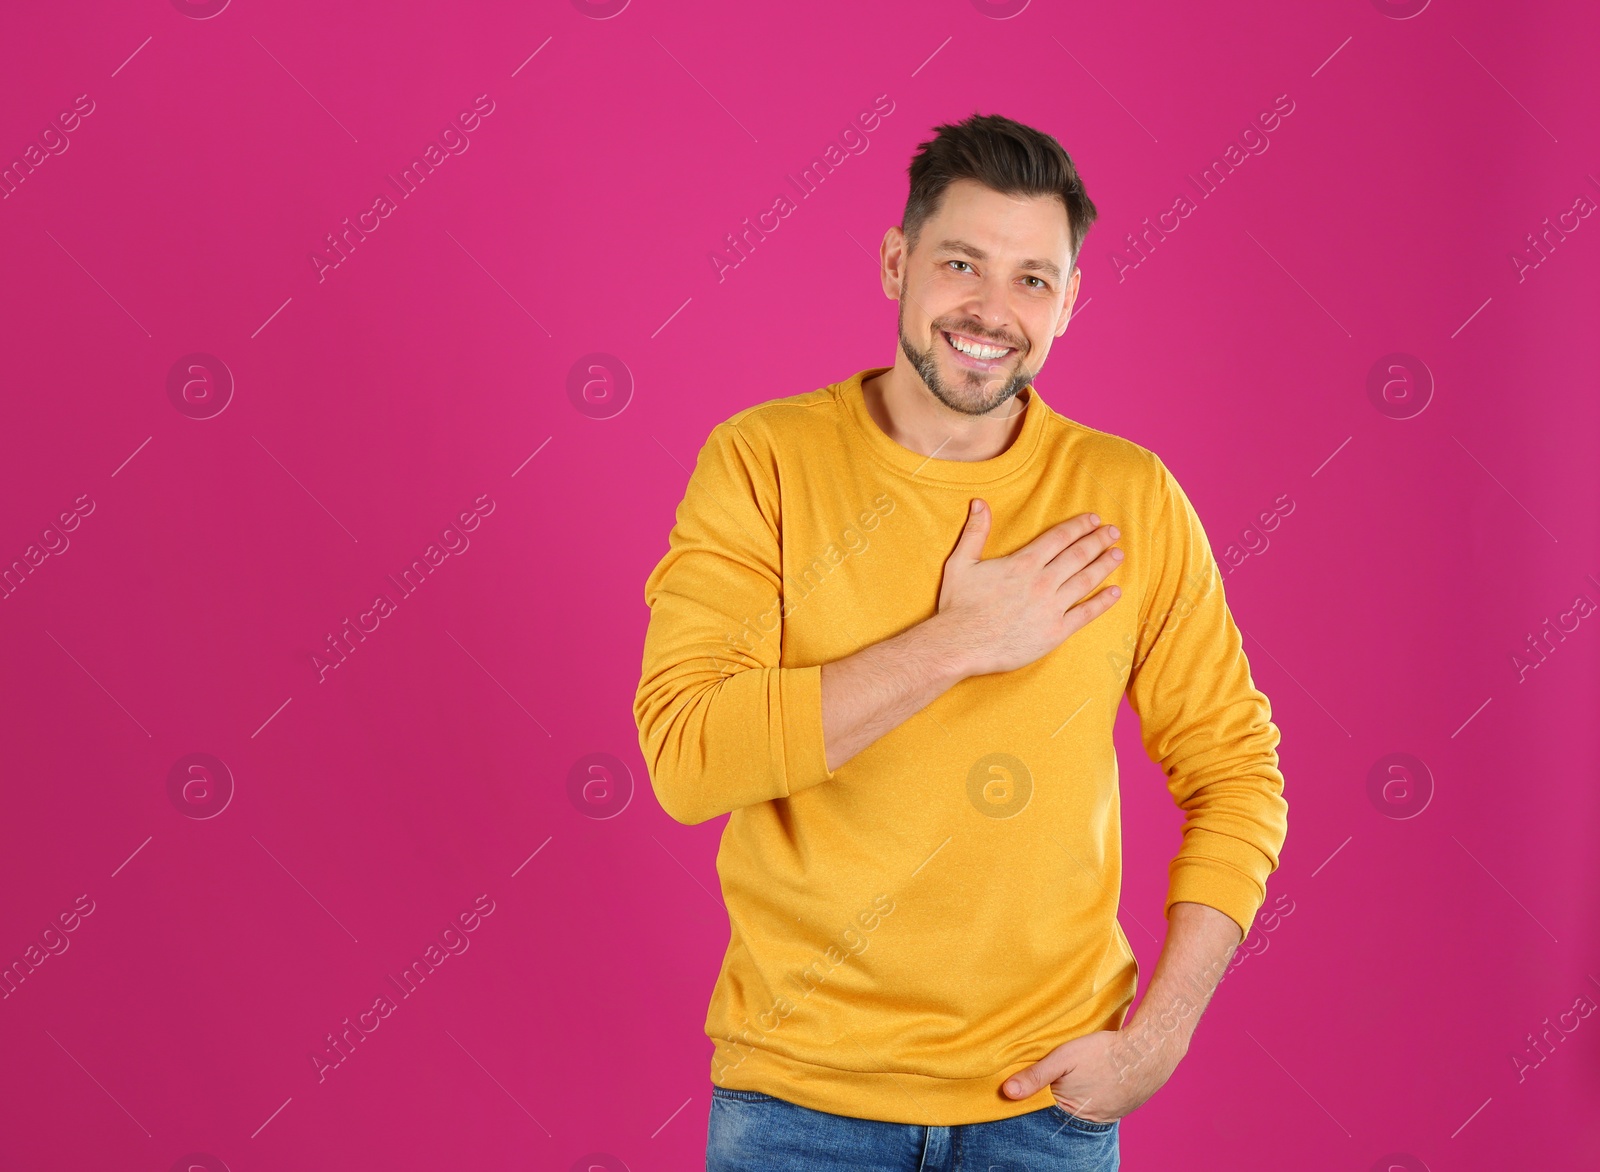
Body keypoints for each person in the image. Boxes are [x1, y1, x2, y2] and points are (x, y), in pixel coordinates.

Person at [632, 111, 1289, 1172]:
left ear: (1070, 300)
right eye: (961, 263)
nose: (992, 309)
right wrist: (956, 641)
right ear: (897, 263)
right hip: (798, 1106)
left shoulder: (1130, 497)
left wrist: (1155, 1042)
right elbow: (688, 754)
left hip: (1044, 1112)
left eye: (1034, 278)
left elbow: (1237, 772)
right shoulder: (762, 463)